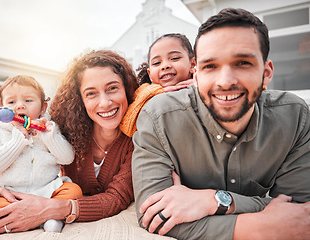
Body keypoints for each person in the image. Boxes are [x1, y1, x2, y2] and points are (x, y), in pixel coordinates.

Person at [132, 8, 310, 240]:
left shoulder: (294, 117)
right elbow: (154, 217)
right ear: (196, 75)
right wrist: (262, 225)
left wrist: (212, 200)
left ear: (266, 73)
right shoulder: (159, 117)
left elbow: (299, 213)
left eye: (242, 62)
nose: (225, 82)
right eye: (210, 66)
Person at [0, 50, 138, 233]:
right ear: (80, 99)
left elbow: (115, 198)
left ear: (127, 88)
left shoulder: (138, 138)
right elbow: (17, 164)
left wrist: (45, 210)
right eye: (91, 93)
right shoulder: (69, 127)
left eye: (112, 88)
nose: (105, 103)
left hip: (52, 197)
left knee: (73, 191)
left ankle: (48, 220)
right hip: (19, 191)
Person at [0, 75, 82, 233]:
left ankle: (44, 215)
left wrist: (50, 138)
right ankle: (44, 218)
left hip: (46, 190)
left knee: (74, 191)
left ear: (43, 107)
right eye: (12, 102)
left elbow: (67, 159)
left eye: (28, 101)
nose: (20, 106)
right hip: (11, 193)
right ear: (2, 109)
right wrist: (18, 141)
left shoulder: (48, 130)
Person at [120, 33, 195, 137]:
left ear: (193, 64)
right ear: (150, 74)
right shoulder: (144, 95)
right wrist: (159, 92)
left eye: (174, 58)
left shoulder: (202, 88)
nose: (165, 66)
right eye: (156, 63)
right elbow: (128, 127)